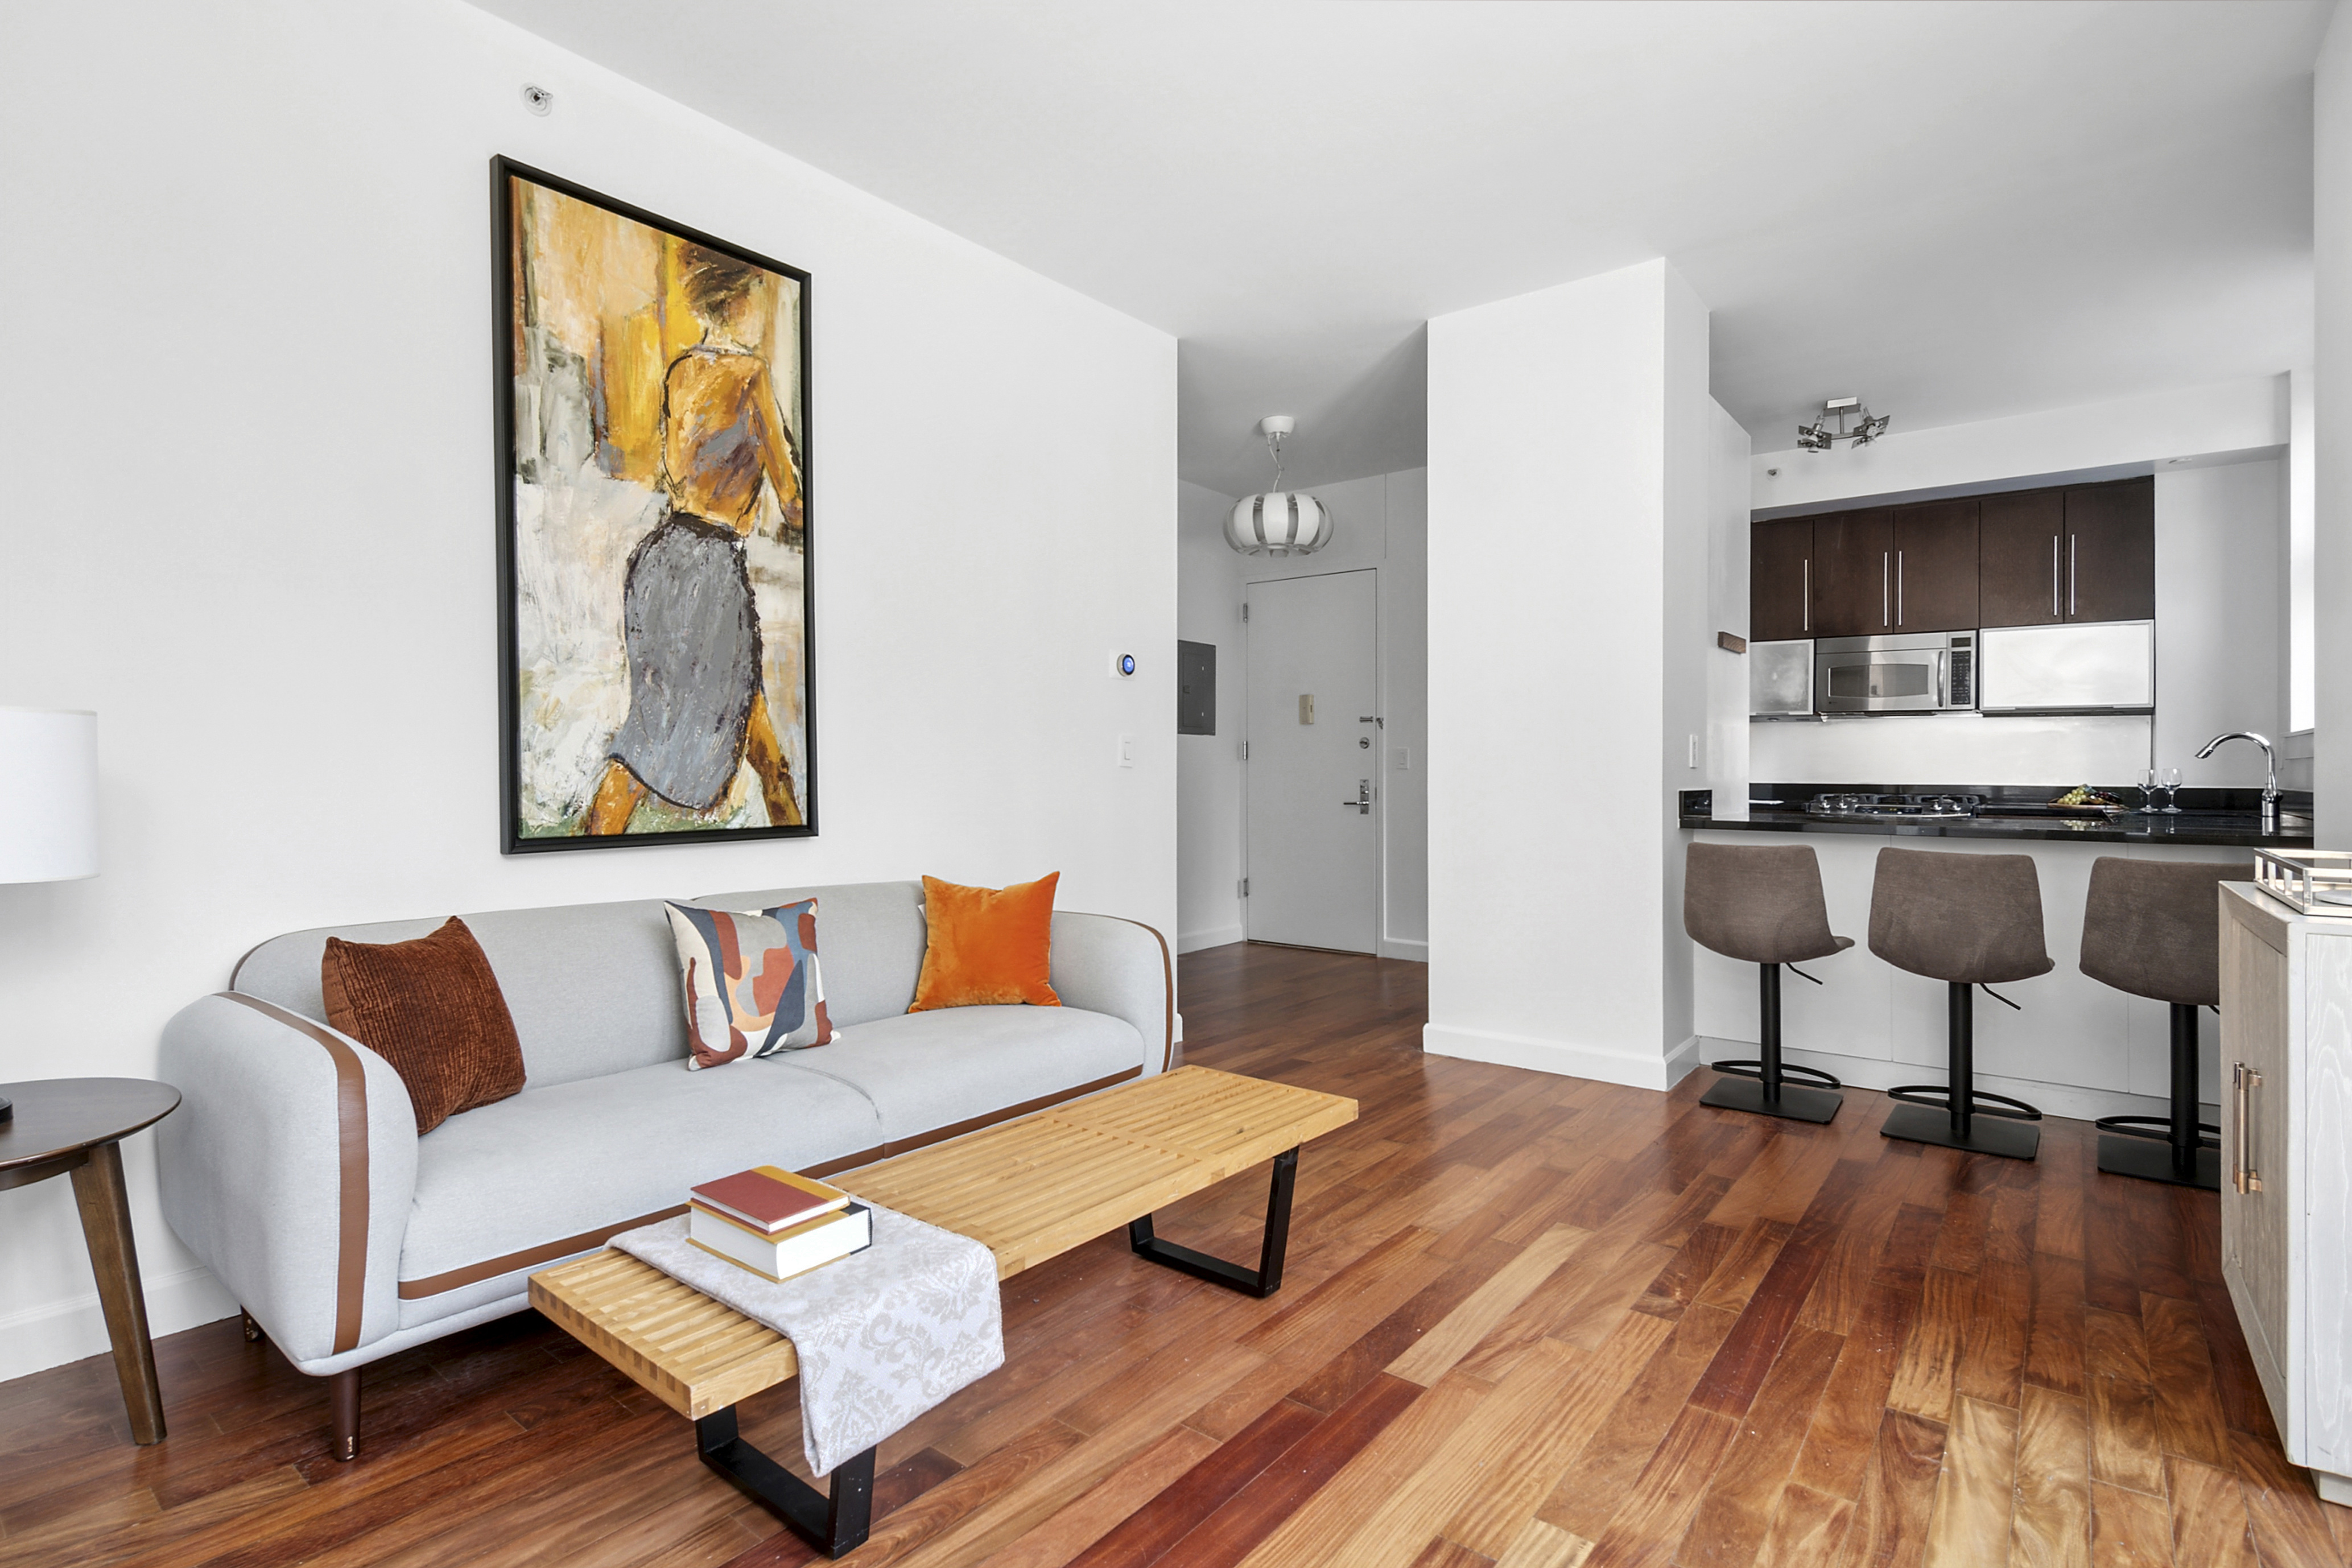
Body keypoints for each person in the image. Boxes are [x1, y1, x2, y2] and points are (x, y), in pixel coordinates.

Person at [584, 246, 805, 833]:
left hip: (661, 562)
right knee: (658, 747)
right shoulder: (752, 375)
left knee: (736, 752)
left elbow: (676, 469)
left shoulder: (682, 372)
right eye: (755, 295)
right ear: (739, 299)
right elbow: (793, 502)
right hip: (710, 574)